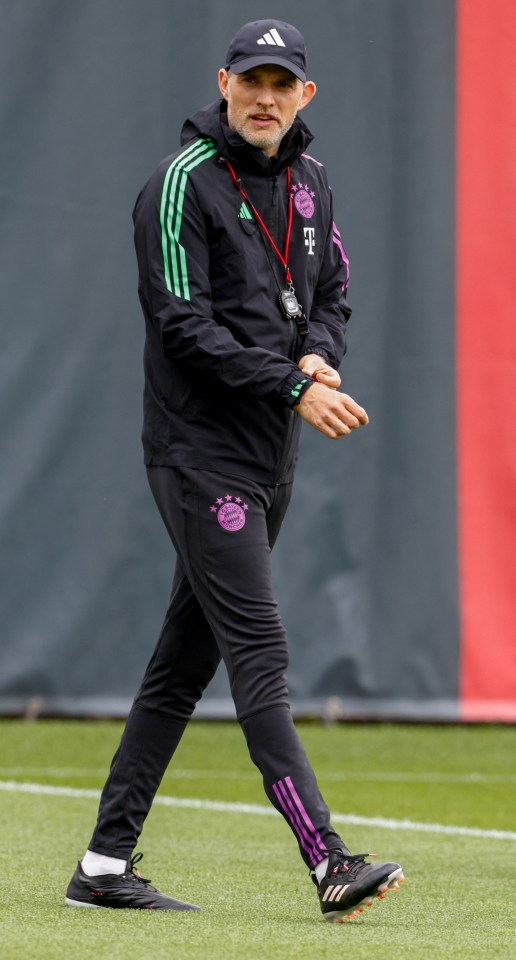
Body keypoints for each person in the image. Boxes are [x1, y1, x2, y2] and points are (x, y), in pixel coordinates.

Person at [66, 19, 404, 921]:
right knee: (260, 652)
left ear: (306, 95)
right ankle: (328, 859)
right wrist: (294, 380)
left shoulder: (313, 182)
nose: (263, 97)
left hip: (270, 454)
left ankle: (103, 864)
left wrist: (322, 354)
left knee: (183, 664)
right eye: (249, 81)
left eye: (280, 83)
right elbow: (185, 327)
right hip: (196, 451)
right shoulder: (177, 186)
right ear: (223, 83)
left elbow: (331, 290)